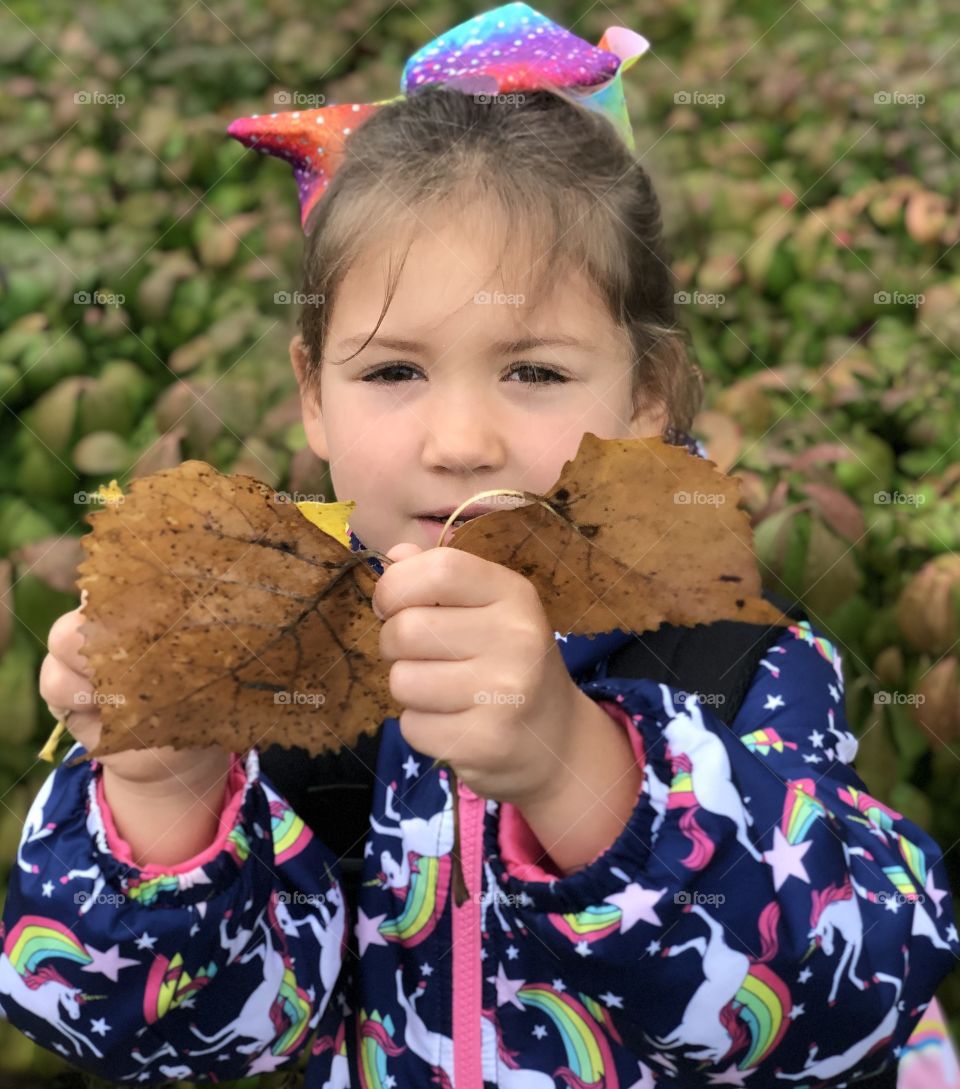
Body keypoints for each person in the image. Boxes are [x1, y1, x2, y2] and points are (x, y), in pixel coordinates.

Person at [5, 4, 959, 1086]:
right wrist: (167, 789)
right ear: (313, 395)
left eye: (535, 372)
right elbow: (176, 1033)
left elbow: (858, 1003)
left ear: (647, 395)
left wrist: (578, 771)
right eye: (393, 371)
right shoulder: (282, 672)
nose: (460, 443)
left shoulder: (732, 654)